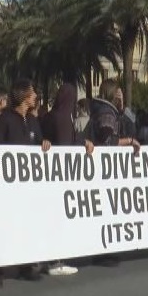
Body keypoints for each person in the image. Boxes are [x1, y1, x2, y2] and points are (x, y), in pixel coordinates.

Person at [0, 79, 53, 288]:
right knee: (5, 227)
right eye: (32, 94)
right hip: (8, 188)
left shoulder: (32, 121)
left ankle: (26, 267)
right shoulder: (5, 119)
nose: (36, 97)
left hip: (28, 188)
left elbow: (40, 141)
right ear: (23, 97)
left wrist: (45, 143)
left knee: (27, 226)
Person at [41, 82, 95, 275]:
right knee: (58, 218)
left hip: (47, 177)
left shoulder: (50, 115)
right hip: (59, 178)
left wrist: (82, 141)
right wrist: (83, 143)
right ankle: (56, 261)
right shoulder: (63, 118)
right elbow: (66, 146)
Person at [89, 80, 141, 266]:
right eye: (117, 94)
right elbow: (107, 139)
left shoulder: (108, 111)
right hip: (105, 168)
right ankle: (104, 252)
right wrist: (129, 141)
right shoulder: (106, 113)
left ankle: (105, 250)